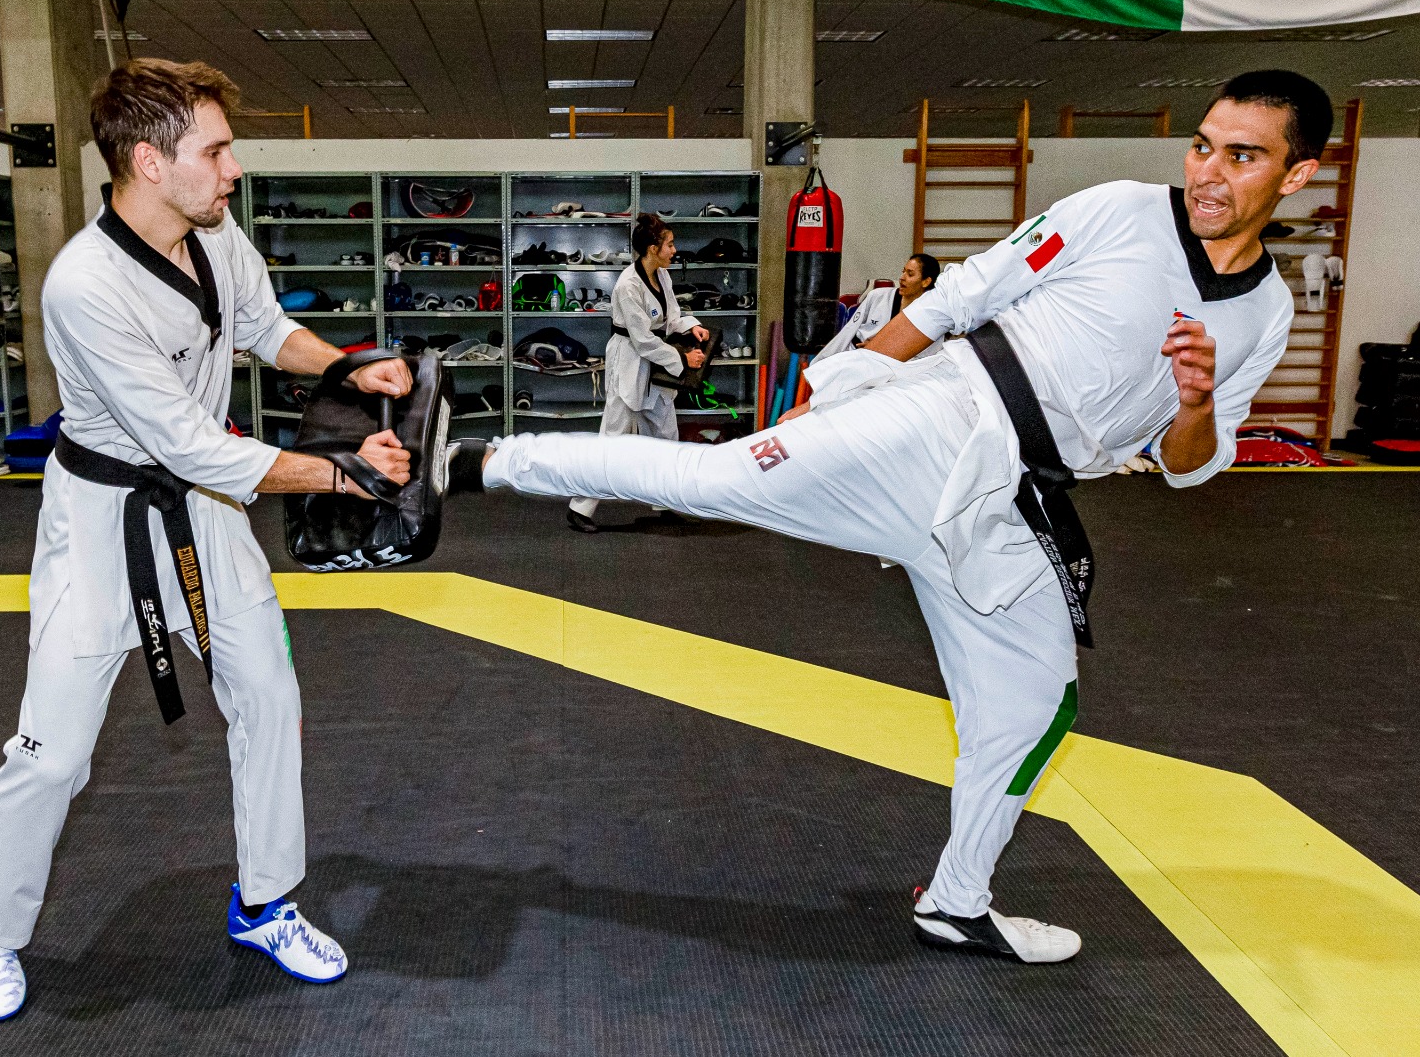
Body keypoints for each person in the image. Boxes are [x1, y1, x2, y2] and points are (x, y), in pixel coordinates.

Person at [450, 70, 1326, 963]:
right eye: (1202, 146)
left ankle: (957, 902)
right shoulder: (1122, 210)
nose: (1208, 172)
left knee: (1036, 704)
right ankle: (482, 461)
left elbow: (1191, 467)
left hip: (1014, 503)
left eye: (1243, 156)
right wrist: (841, 384)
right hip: (934, 418)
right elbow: (958, 297)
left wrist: (1195, 401)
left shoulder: (1264, 315)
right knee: (714, 478)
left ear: (1296, 175)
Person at [0, 59, 413, 1021]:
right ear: (149, 163)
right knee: (52, 754)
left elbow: (266, 327)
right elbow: (191, 444)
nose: (234, 167)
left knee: (269, 698)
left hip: (204, 514)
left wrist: (348, 368)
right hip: (102, 522)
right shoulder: (85, 287)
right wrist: (343, 472)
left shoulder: (214, 231)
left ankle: (266, 903)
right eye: (216, 150)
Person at [566, 212, 709, 532]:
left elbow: (672, 318)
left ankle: (666, 502)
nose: (674, 250)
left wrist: (692, 326)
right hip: (630, 361)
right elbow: (642, 339)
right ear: (652, 248)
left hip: (657, 362)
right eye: (669, 244)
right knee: (613, 440)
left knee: (666, 434)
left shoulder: (663, 276)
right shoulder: (628, 285)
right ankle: (580, 508)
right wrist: (682, 358)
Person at [812, 253, 941, 362]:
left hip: (894, 365)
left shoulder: (932, 313)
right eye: (903, 271)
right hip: (856, 355)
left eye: (910, 274)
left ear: (926, 281)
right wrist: (824, 359)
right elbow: (849, 331)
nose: (902, 278)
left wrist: (880, 348)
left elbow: (926, 355)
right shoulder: (877, 296)